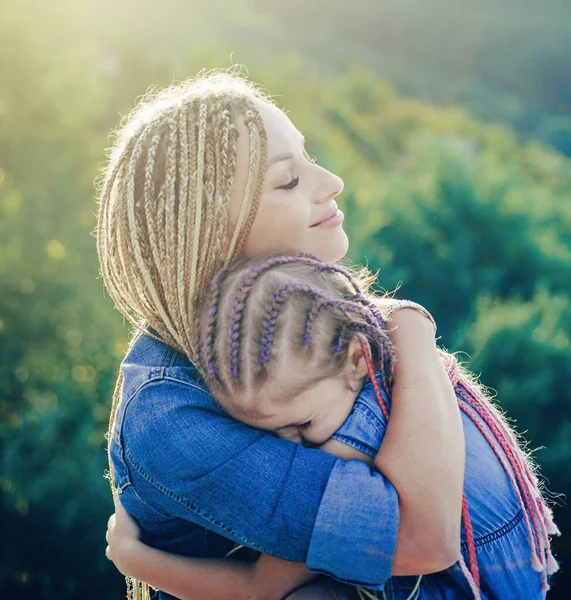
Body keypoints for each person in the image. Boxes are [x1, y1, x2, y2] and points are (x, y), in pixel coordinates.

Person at [96, 69, 471, 600]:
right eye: (289, 180)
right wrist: (409, 329)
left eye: (309, 159)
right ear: (212, 233)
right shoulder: (169, 416)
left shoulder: (302, 321)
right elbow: (419, 538)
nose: (332, 182)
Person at [105, 254, 559, 600]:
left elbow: (261, 588)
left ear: (358, 356)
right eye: (266, 432)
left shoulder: (347, 443)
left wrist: (134, 560)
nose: (290, 445)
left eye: (301, 424)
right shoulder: (376, 361)